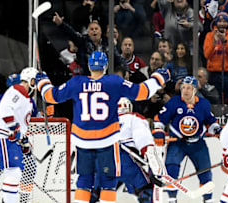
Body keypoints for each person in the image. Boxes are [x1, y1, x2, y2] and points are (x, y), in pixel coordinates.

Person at [36, 51, 170, 203]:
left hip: (83, 141)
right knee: (108, 183)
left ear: (89, 66)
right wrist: (159, 78)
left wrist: (42, 82)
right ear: (105, 67)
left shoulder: (76, 82)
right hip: (107, 141)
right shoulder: (114, 82)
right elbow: (142, 92)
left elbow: (50, 96)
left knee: (84, 182)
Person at [153, 76, 221, 203]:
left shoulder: (203, 104)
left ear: (195, 90)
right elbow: (160, 119)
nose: (185, 90)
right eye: (183, 87)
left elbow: (210, 122)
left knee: (205, 172)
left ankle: (208, 199)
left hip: (197, 144)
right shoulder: (174, 102)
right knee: (171, 169)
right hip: (177, 143)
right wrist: (158, 131)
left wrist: (217, 130)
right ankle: (172, 198)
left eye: (189, 88)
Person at [0, 67, 38, 203]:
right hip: (3, 134)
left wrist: (23, 140)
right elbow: (7, 109)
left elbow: (20, 123)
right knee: (13, 172)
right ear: (29, 80)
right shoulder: (18, 90)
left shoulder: (27, 99)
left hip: (8, 136)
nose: (36, 85)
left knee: (16, 172)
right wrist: (14, 129)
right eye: (34, 81)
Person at [117, 97, 166, 203]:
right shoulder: (134, 117)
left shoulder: (105, 120)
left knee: (98, 193)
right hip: (124, 158)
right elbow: (145, 143)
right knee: (145, 191)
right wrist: (155, 169)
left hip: (102, 159)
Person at [53, 13, 128, 75]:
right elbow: (72, 33)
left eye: (96, 29)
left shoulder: (108, 43)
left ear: (101, 32)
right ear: (88, 33)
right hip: (87, 76)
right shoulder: (82, 41)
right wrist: (61, 24)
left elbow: (118, 58)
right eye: (91, 29)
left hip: (105, 76)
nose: (94, 31)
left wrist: (126, 70)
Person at [204, 11, 228, 102]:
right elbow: (207, 55)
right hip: (214, 72)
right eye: (220, 21)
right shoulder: (209, 35)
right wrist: (214, 43)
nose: (222, 24)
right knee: (215, 97)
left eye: (224, 21)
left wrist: (225, 41)